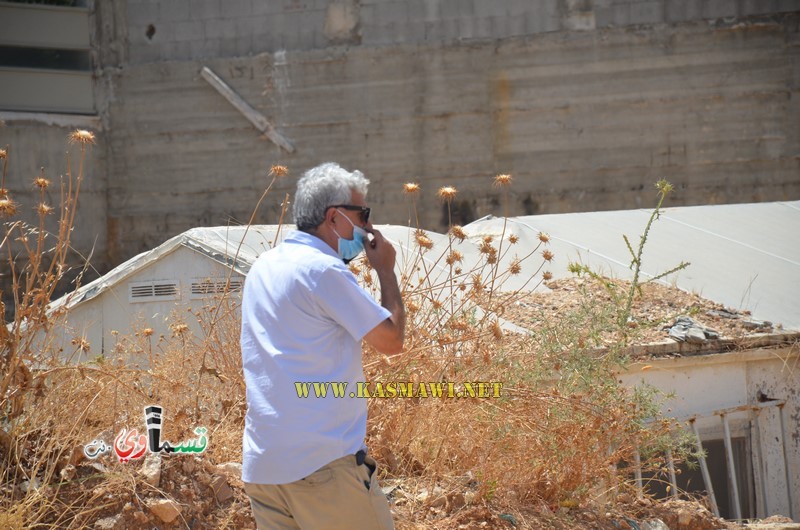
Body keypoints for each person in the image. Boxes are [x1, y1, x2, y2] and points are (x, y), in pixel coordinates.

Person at [241, 162, 405, 530]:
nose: (366, 227)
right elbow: (391, 340)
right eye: (362, 214)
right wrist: (385, 270)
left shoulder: (264, 266)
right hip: (321, 468)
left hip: (264, 468)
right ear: (334, 218)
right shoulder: (322, 270)